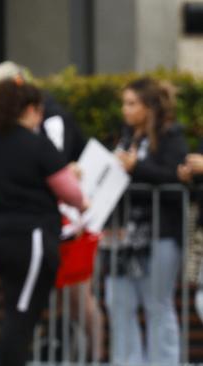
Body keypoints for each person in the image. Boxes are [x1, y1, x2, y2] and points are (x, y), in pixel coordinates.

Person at [0, 61, 103, 361]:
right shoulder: (36, 146)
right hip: (32, 238)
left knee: (16, 307)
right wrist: (83, 203)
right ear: (30, 109)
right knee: (23, 314)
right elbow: (70, 191)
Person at [107, 77, 186, 365]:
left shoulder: (171, 136)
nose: (125, 110)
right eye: (124, 104)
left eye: (131, 103)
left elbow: (175, 176)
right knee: (118, 300)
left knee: (157, 304)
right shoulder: (127, 136)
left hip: (161, 231)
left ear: (149, 106)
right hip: (127, 233)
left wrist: (136, 167)